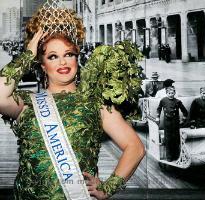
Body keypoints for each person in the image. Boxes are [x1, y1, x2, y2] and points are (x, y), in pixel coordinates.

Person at [0, 1, 145, 200]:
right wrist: (29, 53)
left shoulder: (96, 103)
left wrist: (108, 187)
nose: (62, 62)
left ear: (77, 58)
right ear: (42, 65)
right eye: (52, 56)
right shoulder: (26, 103)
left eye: (69, 54)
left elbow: (135, 147)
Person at [156, 86, 188, 162]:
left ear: (174, 93)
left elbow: (185, 111)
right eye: (169, 93)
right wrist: (157, 117)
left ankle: (176, 156)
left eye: (172, 93)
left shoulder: (178, 102)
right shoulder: (163, 100)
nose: (171, 94)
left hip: (175, 123)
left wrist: (183, 120)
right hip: (167, 124)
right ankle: (169, 157)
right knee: (168, 140)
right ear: (166, 93)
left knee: (176, 139)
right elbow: (159, 109)